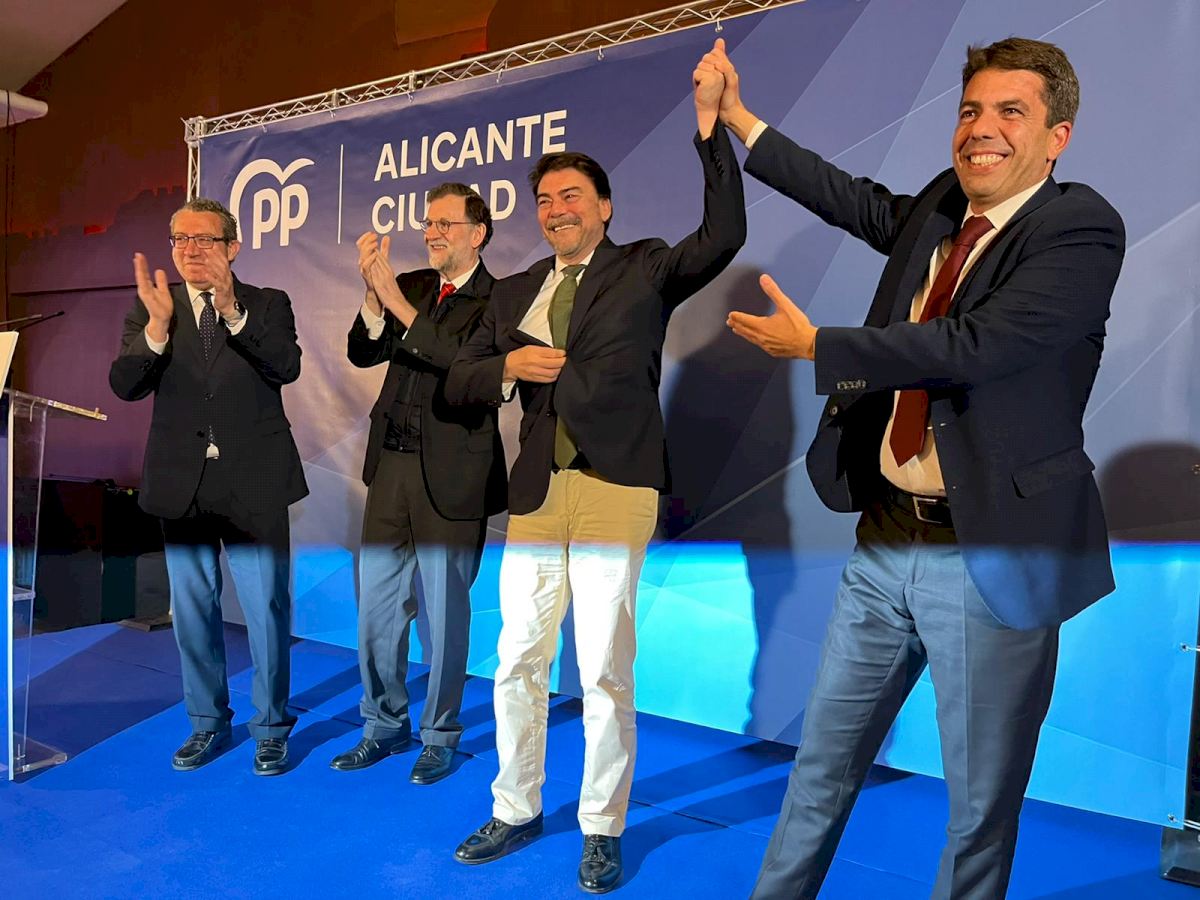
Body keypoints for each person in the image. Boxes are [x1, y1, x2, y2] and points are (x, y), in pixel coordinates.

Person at [704, 37, 1125, 898]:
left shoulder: (1079, 228)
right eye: (970, 110)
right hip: (884, 544)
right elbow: (855, 200)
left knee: (977, 812)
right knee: (819, 769)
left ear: (1058, 137)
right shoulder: (942, 206)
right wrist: (741, 119)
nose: (981, 128)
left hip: (990, 555)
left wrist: (819, 347)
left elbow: (978, 344)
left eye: (1010, 111)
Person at [445, 39, 746, 894]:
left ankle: (602, 826)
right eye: (544, 200)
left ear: (604, 207)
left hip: (616, 487)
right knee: (517, 659)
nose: (556, 210)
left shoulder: (644, 267)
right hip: (537, 495)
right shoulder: (515, 291)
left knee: (604, 670)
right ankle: (514, 807)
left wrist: (710, 128)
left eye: (571, 195)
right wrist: (508, 367)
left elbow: (725, 233)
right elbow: (460, 380)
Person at [109, 198, 308, 776]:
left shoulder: (268, 303)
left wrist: (231, 311)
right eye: (180, 239)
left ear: (232, 247)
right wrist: (155, 330)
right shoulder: (154, 306)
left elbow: (286, 366)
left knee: (266, 610)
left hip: (255, 481)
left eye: (204, 239)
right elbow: (125, 385)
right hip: (182, 484)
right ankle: (206, 723)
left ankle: (271, 728)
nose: (190, 249)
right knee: (193, 612)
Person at [330, 183, 506, 784]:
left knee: (447, 614)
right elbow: (362, 352)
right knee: (377, 612)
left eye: (444, 224)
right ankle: (382, 725)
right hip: (392, 468)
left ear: (477, 233)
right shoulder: (410, 285)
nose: (431, 232)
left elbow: (461, 363)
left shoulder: (499, 299)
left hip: (454, 477)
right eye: (428, 223)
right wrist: (373, 296)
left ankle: (440, 734)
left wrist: (396, 304)